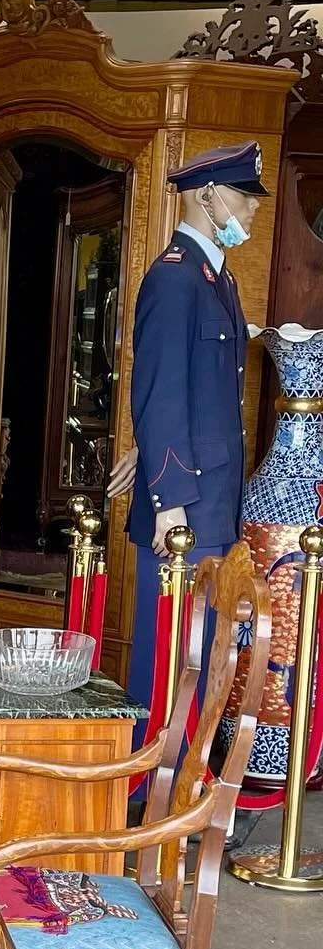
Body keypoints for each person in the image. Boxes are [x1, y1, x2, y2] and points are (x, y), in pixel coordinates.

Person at [110, 141, 266, 719]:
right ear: (206, 194)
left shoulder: (217, 279)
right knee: (168, 664)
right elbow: (159, 387)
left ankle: (185, 789)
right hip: (184, 507)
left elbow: (194, 393)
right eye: (243, 197)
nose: (252, 211)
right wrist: (168, 498)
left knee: (198, 661)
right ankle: (144, 796)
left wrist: (150, 449)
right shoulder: (176, 279)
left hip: (212, 501)